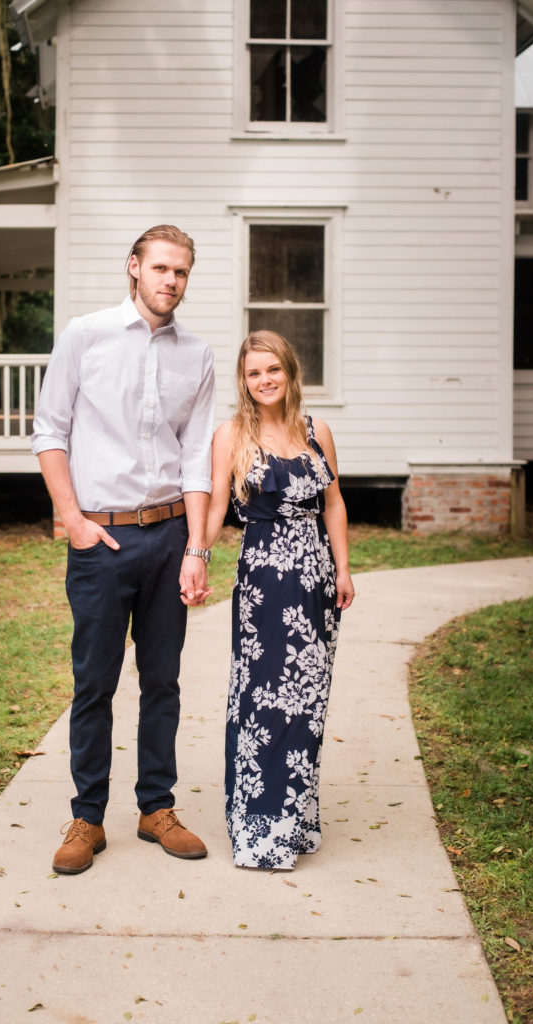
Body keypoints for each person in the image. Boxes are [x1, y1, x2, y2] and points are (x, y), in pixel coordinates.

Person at [32, 225, 215, 874]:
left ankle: (155, 808)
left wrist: (196, 548)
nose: (172, 281)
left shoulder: (197, 355)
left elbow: (197, 456)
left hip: (169, 537)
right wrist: (74, 520)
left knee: (162, 681)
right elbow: (50, 433)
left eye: (183, 272)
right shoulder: (85, 335)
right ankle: (87, 818)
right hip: (101, 539)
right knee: (95, 683)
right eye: (161, 268)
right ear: (134, 267)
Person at [206, 330, 354, 870]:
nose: (264, 380)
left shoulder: (318, 432)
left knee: (306, 703)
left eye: (273, 370)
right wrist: (195, 556)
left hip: (315, 582)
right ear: (244, 382)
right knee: (263, 699)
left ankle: (296, 818)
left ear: (290, 373)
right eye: (253, 373)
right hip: (264, 584)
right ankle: (258, 825)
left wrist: (342, 568)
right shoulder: (232, 435)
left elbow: (333, 504)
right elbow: (216, 505)